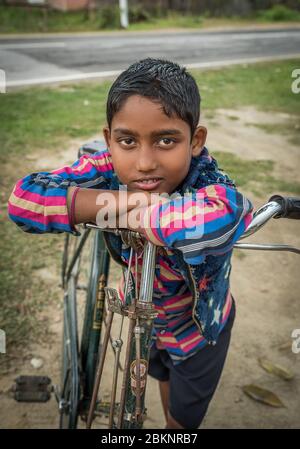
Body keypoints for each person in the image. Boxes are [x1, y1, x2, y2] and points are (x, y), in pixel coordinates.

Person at [8, 58, 253, 429]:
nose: (143, 163)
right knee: (157, 375)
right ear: (109, 141)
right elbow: (24, 200)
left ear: (196, 141)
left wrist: (138, 215)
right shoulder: (106, 166)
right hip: (144, 318)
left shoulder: (209, 182)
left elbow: (229, 211)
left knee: (183, 420)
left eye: (166, 140)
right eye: (127, 141)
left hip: (199, 331)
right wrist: (130, 202)